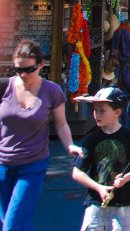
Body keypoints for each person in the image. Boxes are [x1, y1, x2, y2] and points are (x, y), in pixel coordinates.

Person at [0, 40, 82, 230]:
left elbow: (61, 124)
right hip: (3, 163)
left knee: (13, 223)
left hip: (32, 164)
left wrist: (70, 145)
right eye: (18, 69)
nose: (24, 75)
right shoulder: (4, 86)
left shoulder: (51, 91)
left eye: (29, 69)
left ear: (41, 65)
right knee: (7, 221)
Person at [72, 87, 130, 231]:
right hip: (96, 201)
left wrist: (126, 177)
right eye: (95, 110)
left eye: (102, 110)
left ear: (117, 112)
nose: (96, 115)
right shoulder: (91, 139)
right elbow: (77, 173)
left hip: (123, 202)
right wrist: (99, 188)